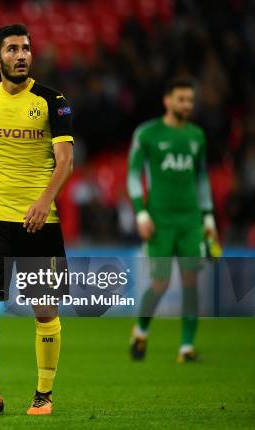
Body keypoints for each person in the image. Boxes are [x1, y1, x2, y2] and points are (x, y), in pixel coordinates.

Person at [0, 24, 74, 416]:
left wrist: (45, 200)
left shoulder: (52, 100)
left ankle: (43, 395)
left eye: (26, 48)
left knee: (44, 309)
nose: (22, 55)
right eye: (12, 49)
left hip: (40, 221)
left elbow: (66, 161)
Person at [127, 78, 218, 363]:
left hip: (191, 220)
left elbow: (201, 178)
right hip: (160, 220)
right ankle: (141, 331)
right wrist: (141, 212)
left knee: (192, 281)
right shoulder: (148, 133)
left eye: (190, 100)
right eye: (181, 99)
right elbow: (133, 175)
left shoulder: (197, 136)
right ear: (167, 100)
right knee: (161, 283)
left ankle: (186, 347)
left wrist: (209, 218)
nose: (187, 105)